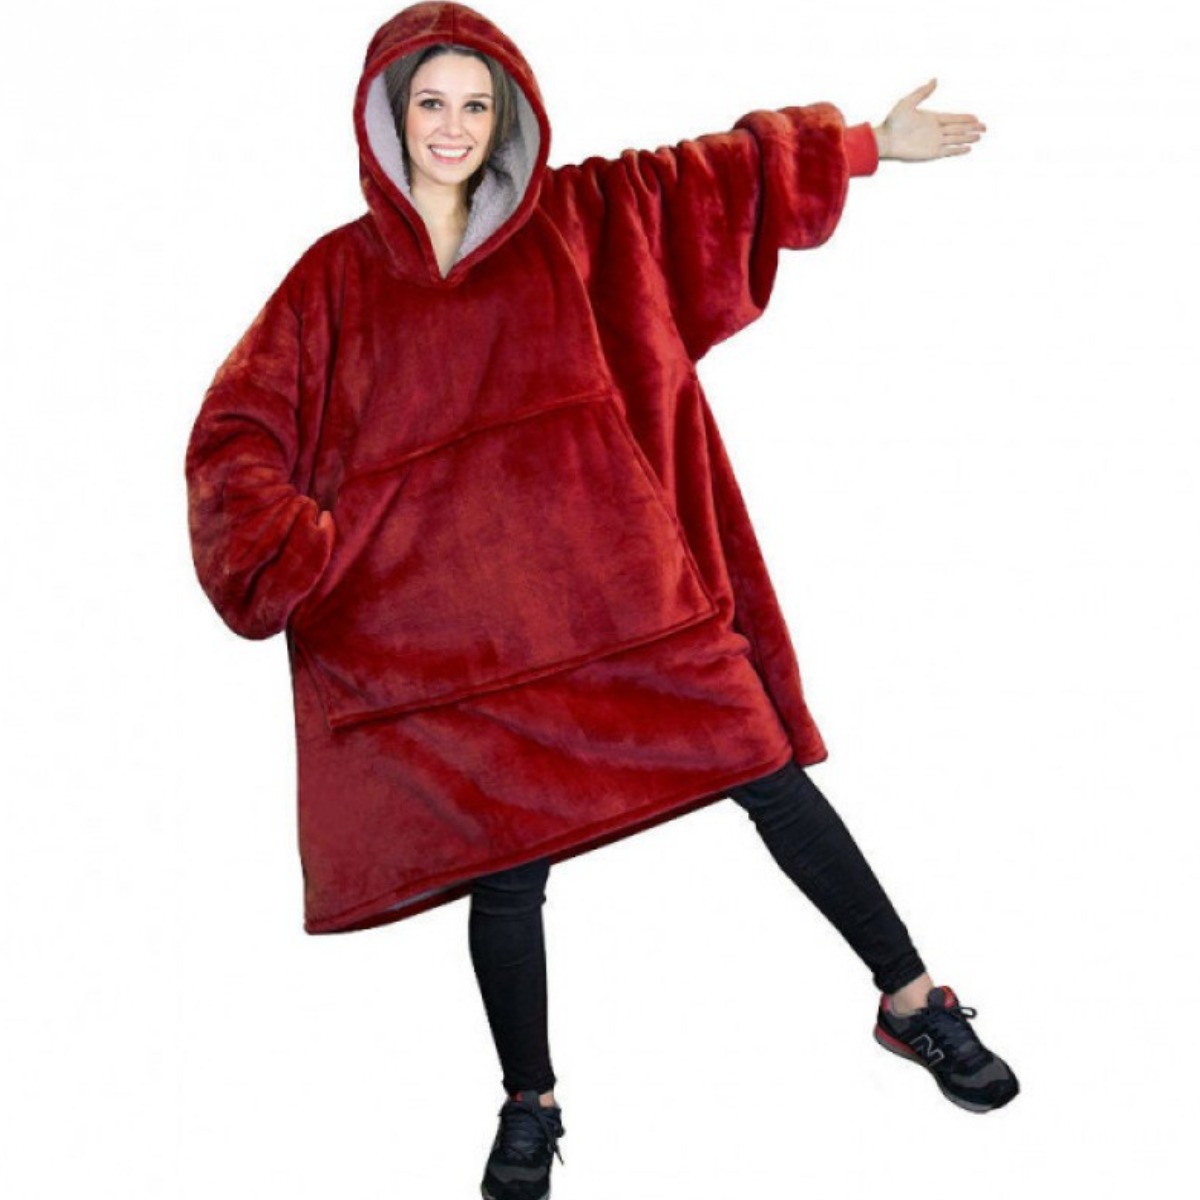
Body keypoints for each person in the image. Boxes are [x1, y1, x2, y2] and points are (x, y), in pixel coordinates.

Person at [184, 4, 1018, 1198]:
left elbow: (709, 184)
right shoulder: (332, 280)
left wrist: (866, 144)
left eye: (477, 105)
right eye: (431, 104)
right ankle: (530, 1101)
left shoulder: (578, 220)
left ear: (507, 118)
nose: (453, 127)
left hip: (627, 612)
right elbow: (236, 433)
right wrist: (300, 549)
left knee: (770, 775)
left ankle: (912, 1000)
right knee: (506, 877)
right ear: (389, 119)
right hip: (460, 655)